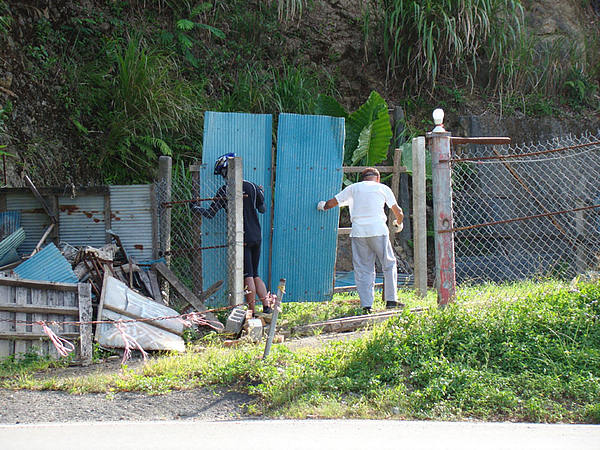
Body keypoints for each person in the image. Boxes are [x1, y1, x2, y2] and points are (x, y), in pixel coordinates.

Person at [190, 153, 272, 316]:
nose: (222, 177)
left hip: (241, 237)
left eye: (222, 173)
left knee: (247, 276)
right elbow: (262, 209)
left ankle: (252, 312)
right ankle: (267, 307)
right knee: (256, 274)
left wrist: (195, 207)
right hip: (256, 235)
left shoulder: (224, 190)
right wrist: (259, 193)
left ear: (226, 172)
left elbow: (210, 213)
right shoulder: (252, 186)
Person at [317, 167, 404, 314]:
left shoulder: (353, 188)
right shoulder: (382, 188)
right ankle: (391, 300)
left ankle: (367, 306)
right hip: (378, 231)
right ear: (378, 178)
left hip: (359, 233)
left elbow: (332, 203)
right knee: (388, 264)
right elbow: (398, 212)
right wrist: (398, 223)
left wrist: (321, 206)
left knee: (363, 269)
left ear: (362, 178)